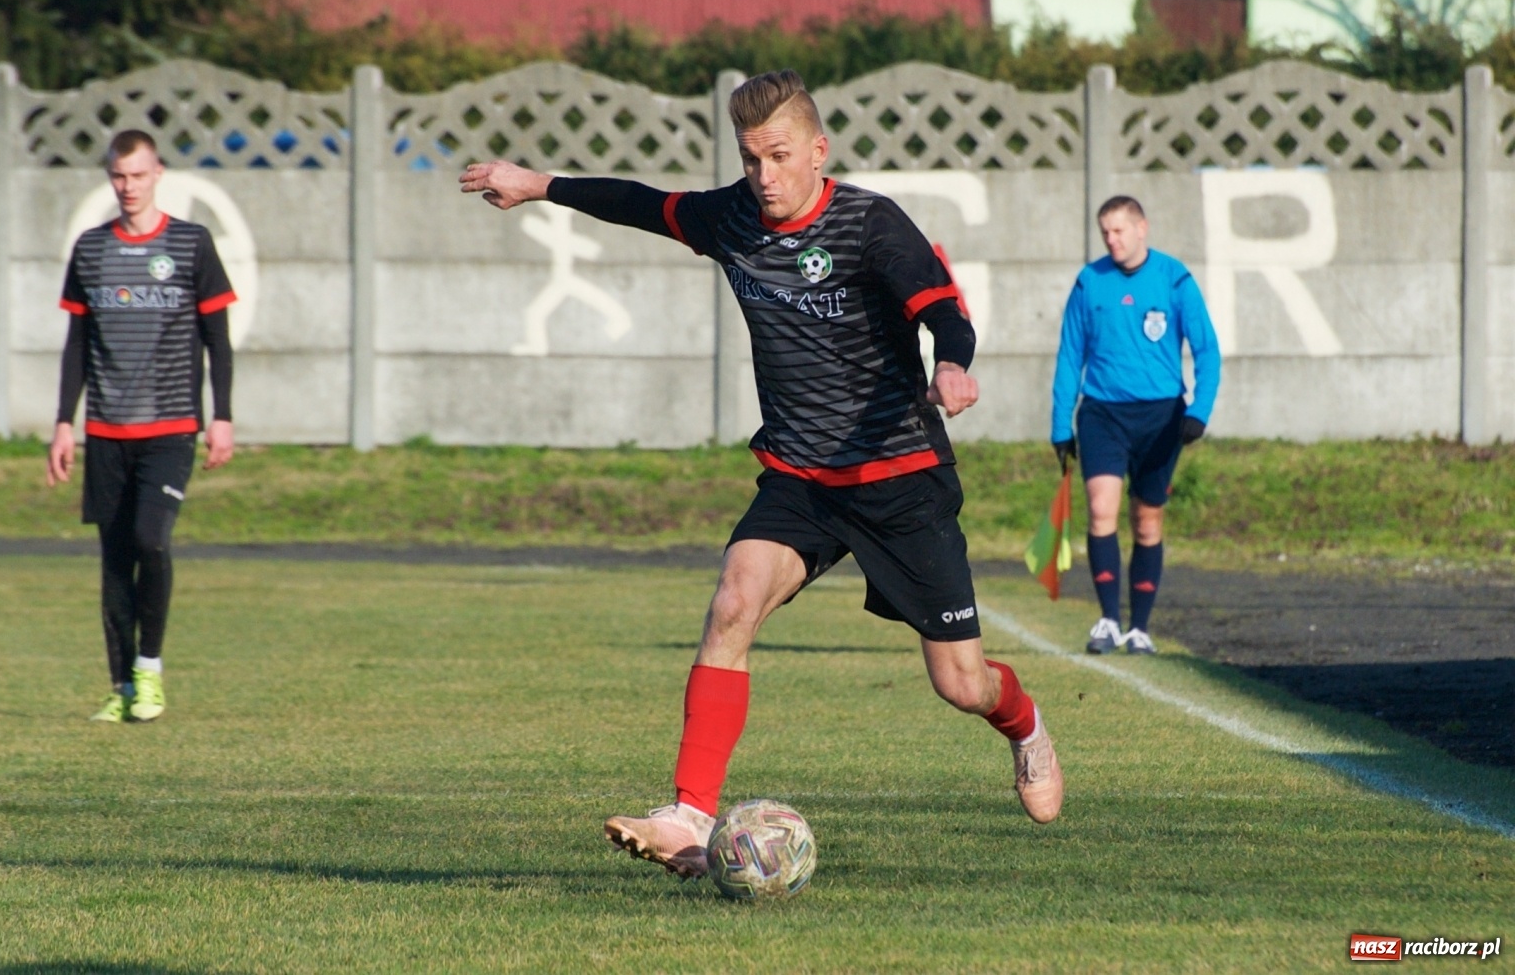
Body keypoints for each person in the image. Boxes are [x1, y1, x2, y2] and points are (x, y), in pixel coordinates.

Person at [460, 69, 1064, 880]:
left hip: (898, 474)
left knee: (961, 684)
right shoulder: (733, 218)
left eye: (779, 156)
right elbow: (643, 202)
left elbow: (942, 310)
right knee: (733, 602)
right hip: (801, 475)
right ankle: (687, 815)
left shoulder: (870, 225)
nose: (764, 177)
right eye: (750, 160)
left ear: (819, 150)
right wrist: (537, 185)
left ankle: (1024, 728)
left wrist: (952, 367)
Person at [47, 129, 237, 723]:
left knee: (152, 540)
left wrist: (222, 416)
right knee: (114, 558)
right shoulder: (91, 248)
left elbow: (218, 339)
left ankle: (149, 671)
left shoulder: (190, 243)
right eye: (118, 177)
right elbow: (77, 342)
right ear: (111, 178)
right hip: (105, 431)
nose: (128, 187)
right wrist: (62, 424)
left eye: (138, 175)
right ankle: (120, 687)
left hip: (171, 426)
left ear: (158, 174)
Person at [1050, 196, 1220, 656]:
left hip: (1161, 417)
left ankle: (1140, 628)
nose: (1112, 239)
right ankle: (1107, 619)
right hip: (1102, 413)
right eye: (1105, 232)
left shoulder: (1175, 278)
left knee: (1147, 522)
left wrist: (1198, 411)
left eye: (1119, 230)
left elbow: (1207, 350)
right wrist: (1060, 424)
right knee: (1101, 509)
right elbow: (1070, 356)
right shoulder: (1090, 282)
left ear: (1142, 227)